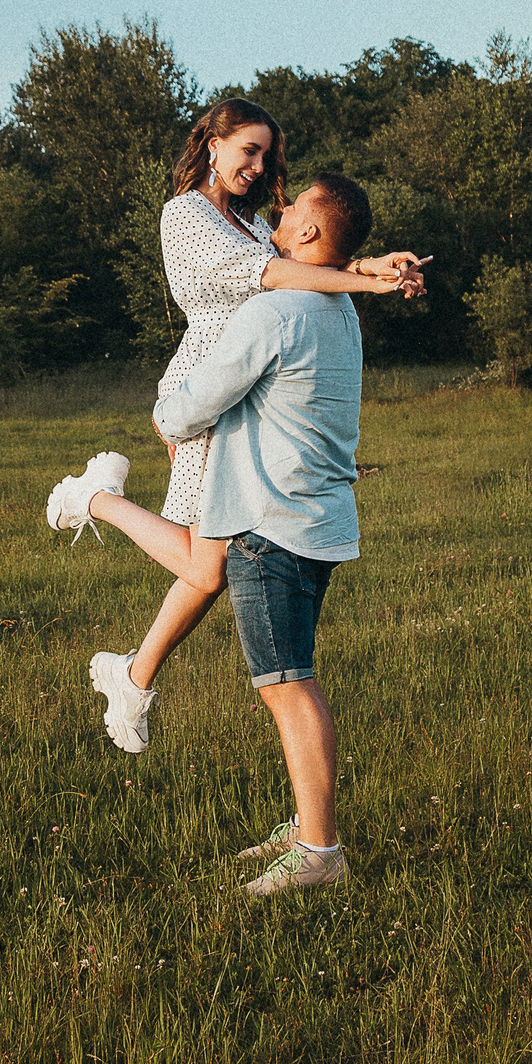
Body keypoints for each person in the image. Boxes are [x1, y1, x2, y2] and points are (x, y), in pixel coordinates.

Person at [48, 98, 419, 758]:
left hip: (248, 391)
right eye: (247, 149)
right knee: (206, 563)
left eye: (266, 155)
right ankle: (93, 499)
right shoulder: (186, 214)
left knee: (207, 565)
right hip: (206, 388)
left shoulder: (249, 222)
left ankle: (130, 676)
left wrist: (363, 264)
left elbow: (295, 267)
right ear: (211, 144)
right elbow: (272, 275)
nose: (257, 165)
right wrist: (370, 286)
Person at [44, 171, 379, 897]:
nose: (278, 211)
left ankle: (320, 851)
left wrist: (166, 407)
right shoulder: (340, 311)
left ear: (313, 234)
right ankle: (305, 825)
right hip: (317, 520)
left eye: (293, 209)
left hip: (269, 524)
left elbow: (186, 413)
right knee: (288, 675)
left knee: (288, 685)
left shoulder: (277, 312)